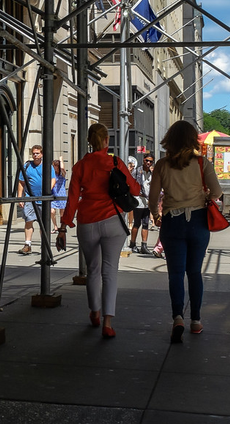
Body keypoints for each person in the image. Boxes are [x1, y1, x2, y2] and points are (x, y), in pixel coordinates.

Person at [55, 124, 140, 339]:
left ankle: (94, 311)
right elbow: (136, 189)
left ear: (89, 141)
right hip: (113, 220)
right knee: (110, 271)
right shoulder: (115, 162)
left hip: (87, 222)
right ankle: (108, 322)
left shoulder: (81, 165)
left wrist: (64, 226)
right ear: (106, 141)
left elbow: (72, 199)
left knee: (92, 270)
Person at [149, 120, 222, 343]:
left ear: (169, 140)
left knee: (175, 274)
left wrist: (156, 215)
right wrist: (204, 197)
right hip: (198, 221)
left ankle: (178, 317)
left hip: (172, 221)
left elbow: (153, 199)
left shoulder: (162, 165)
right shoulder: (202, 164)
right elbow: (217, 191)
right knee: (194, 273)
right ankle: (196, 320)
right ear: (192, 139)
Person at [17, 145, 44, 254]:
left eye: (37, 153)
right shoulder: (27, 166)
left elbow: (53, 179)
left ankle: (44, 245)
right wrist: (20, 197)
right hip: (29, 197)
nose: (35, 155)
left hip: (43, 199)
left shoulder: (47, 166)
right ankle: (27, 244)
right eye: (33, 153)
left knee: (43, 223)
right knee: (28, 220)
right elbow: (21, 182)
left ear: (41, 154)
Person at [129, 152, 154, 254]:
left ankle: (144, 245)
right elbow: (131, 183)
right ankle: (133, 243)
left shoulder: (152, 173)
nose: (148, 163)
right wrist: (138, 193)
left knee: (145, 223)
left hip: (147, 202)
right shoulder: (137, 171)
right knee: (137, 223)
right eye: (146, 160)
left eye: (150, 161)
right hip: (138, 201)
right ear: (143, 160)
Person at [50, 158, 67, 234]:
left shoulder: (62, 174)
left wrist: (61, 160)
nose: (54, 167)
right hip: (53, 194)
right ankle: (55, 227)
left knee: (62, 213)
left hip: (61, 195)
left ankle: (62, 226)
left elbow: (63, 169)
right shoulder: (52, 174)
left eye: (55, 166)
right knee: (52, 211)